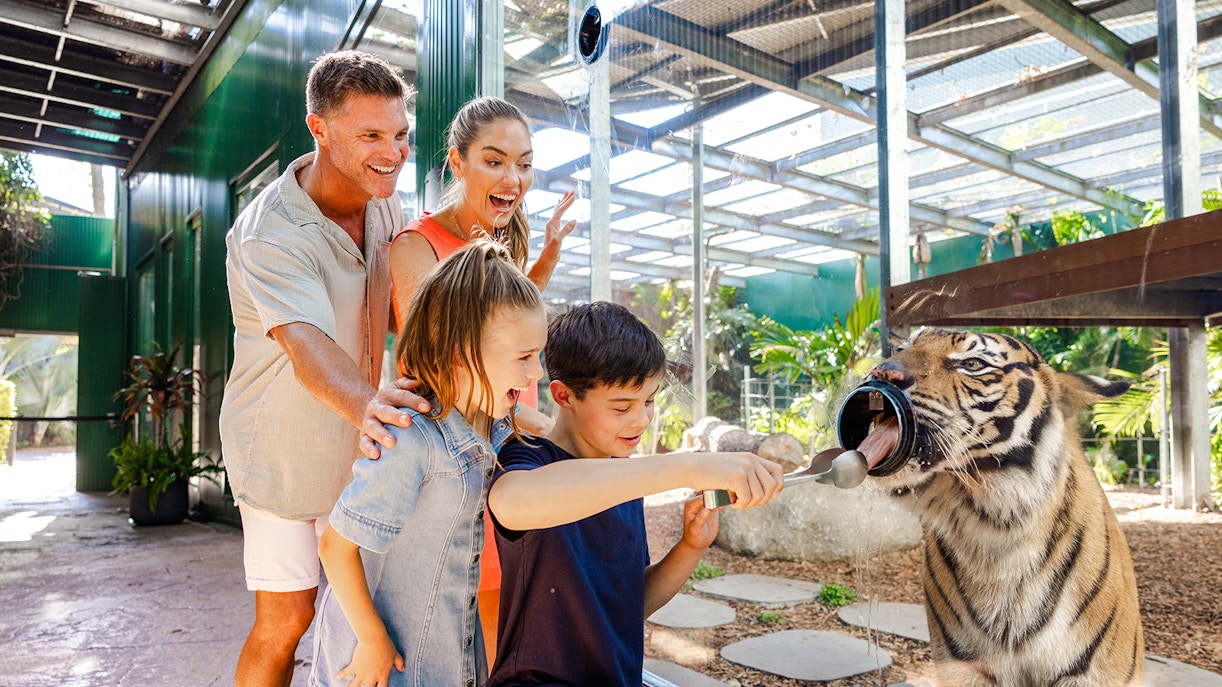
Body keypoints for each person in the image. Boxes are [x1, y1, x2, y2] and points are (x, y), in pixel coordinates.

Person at [221, 50, 427, 687]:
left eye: (399, 134)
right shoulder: (269, 232)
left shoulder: (384, 204)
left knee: (366, 615)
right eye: (370, 136)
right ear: (320, 129)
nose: (391, 152)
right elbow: (308, 348)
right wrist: (374, 407)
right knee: (288, 620)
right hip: (282, 446)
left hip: (360, 435)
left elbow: (401, 312)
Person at [486, 302, 785, 686]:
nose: (641, 419)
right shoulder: (528, 459)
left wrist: (689, 548)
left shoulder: (625, 476)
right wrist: (689, 466)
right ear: (563, 396)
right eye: (621, 406)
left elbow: (629, 605)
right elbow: (512, 502)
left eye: (649, 401)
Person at [379, 95, 574, 667]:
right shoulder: (417, 246)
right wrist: (524, 419)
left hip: (513, 444)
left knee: (514, 610)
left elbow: (509, 317)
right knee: (468, 617)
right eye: (495, 160)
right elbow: (433, 362)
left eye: (525, 163)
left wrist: (550, 254)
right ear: (456, 161)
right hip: (461, 456)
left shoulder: (505, 238)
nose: (514, 178)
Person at [311, 239, 547, 687]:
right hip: (380, 666)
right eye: (523, 357)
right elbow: (335, 548)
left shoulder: (489, 426)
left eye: (537, 355)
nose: (536, 373)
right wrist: (373, 639)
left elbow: (539, 428)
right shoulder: (410, 437)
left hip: (448, 658)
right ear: (460, 353)